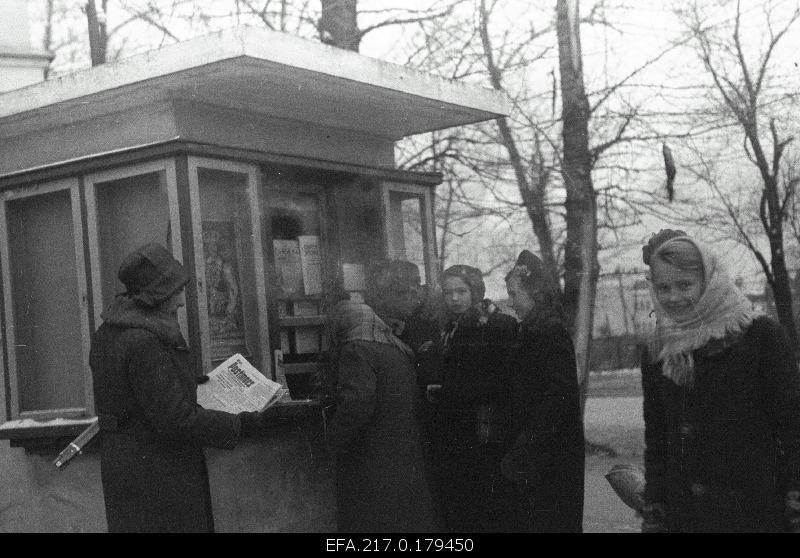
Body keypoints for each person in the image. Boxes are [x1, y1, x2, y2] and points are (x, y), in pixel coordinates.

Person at [89, 242, 268, 533]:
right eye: (177, 292)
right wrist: (240, 424)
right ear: (156, 295)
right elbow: (176, 420)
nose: (182, 301)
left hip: (129, 470)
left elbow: (129, 394)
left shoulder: (109, 333)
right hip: (160, 477)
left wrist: (181, 382)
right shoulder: (144, 339)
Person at [639, 230, 800, 533]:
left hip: (756, 514)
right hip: (686, 518)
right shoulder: (658, 350)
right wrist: (655, 509)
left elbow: (793, 427)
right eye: (663, 288)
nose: (672, 297)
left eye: (684, 285)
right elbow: (658, 442)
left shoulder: (760, 337)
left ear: (708, 280)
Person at [325, 259, 437, 533]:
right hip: (403, 462)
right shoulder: (393, 344)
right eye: (410, 291)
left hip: (372, 465)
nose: (416, 297)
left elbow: (357, 403)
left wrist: (331, 439)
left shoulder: (359, 347)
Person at [424, 265, 518, 532]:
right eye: (448, 292)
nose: (454, 298)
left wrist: (447, 392)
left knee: (482, 507)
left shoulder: (495, 325)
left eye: (461, 291)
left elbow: (501, 383)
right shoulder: (450, 327)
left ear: (475, 292)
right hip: (457, 432)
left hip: (484, 430)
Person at [501, 250, 585, 532]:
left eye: (514, 295)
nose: (511, 304)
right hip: (540, 455)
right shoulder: (533, 329)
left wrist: (526, 446)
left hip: (550, 457)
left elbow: (559, 397)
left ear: (534, 292)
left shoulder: (549, 331)